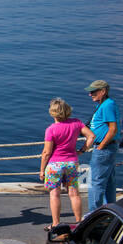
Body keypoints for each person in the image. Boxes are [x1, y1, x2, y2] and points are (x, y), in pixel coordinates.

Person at [39, 98, 93, 229]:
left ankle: (56, 224)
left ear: (52, 113)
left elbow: (46, 152)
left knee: (54, 194)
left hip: (54, 165)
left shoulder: (51, 129)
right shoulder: (76, 123)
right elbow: (91, 136)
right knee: (74, 193)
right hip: (72, 162)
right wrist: (82, 150)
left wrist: (41, 170)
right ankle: (79, 222)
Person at [85, 79, 121, 212]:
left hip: (104, 149)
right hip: (107, 149)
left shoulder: (107, 105)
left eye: (93, 91)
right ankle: (111, 212)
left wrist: (100, 147)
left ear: (103, 91)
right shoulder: (104, 104)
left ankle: (93, 215)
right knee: (109, 182)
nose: (90, 94)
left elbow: (113, 129)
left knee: (96, 183)